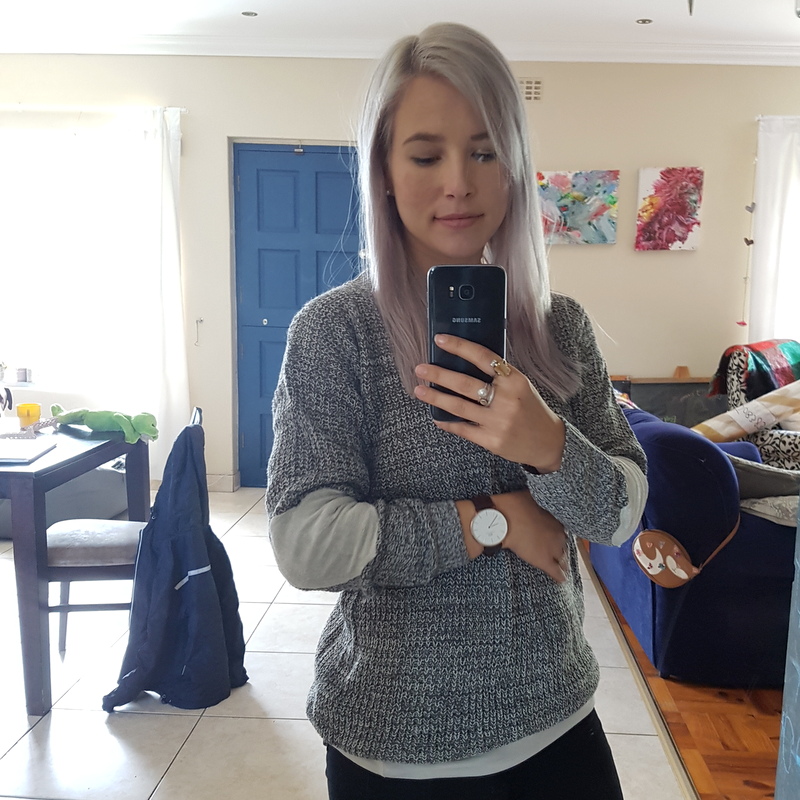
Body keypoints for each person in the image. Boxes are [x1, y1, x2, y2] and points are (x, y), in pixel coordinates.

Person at [266, 21, 647, 800]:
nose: (458, 183)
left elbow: (621, 513)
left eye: (483, 151)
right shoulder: (335, 333)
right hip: (395, 743)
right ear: (383, 169)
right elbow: (305, 544)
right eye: (425, 154)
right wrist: (489, 519)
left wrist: (549, 445)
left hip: (556, 719)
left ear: (514, 166)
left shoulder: (559, 326)